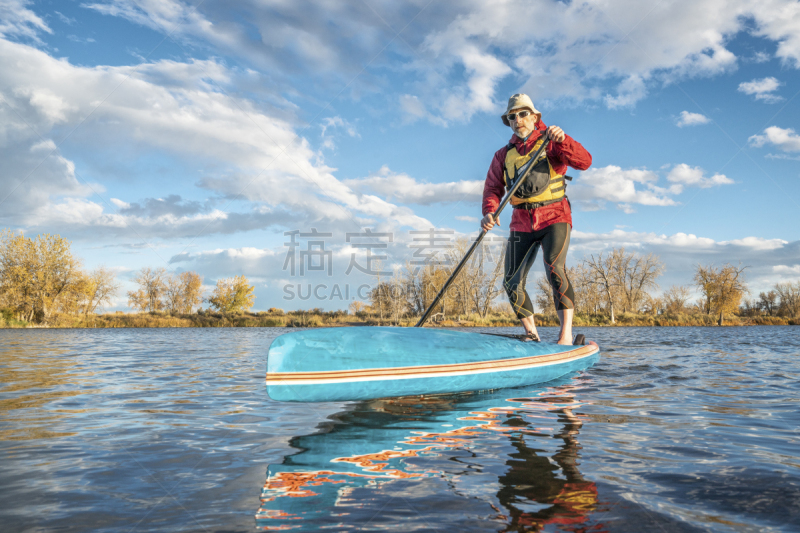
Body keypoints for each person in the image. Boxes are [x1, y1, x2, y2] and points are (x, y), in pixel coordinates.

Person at [481, 94, 592, 344]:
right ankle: (532, 335)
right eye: (512, 116)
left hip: (554, 217)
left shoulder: (552, 142)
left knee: (554, 268)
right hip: (521, 222)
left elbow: (584, 162)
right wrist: (489, 211)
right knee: (511, 280)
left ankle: (565, 336)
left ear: (534, 117)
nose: (517, 120)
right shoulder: (503, 155)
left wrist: (563, 140)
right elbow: (492, 189)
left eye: (522, 114)